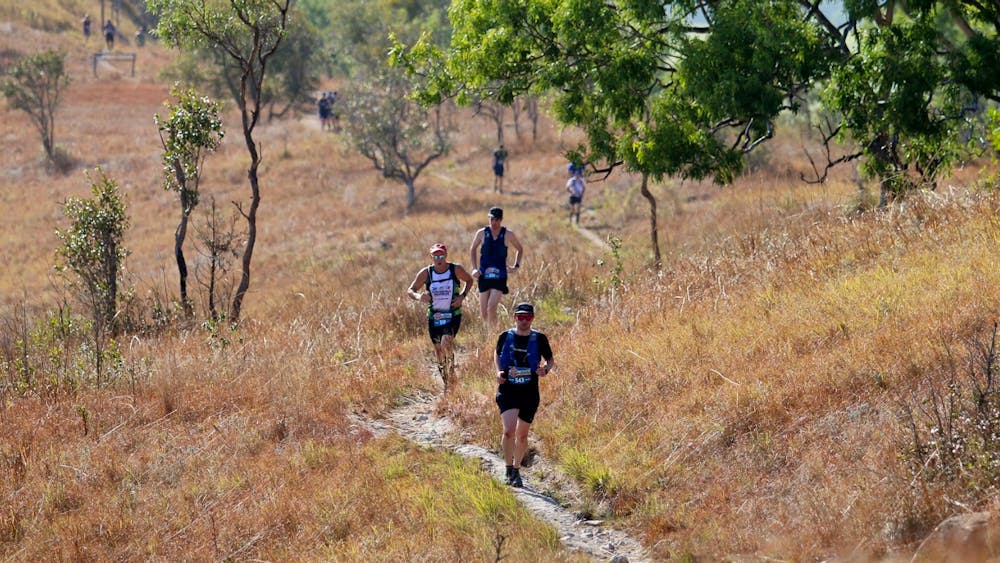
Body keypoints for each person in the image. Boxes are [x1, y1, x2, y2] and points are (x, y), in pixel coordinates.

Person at [494, 302, 555, 487]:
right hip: (508, 390)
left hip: (529, 392)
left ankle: (517, 469)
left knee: (522, 435)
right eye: (520, 316)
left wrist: (545, 370)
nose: (523, 320)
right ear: (514, 317)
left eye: (527, 317)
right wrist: (498, 372)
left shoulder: (539, 338)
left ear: (532, 319)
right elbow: (496, 354)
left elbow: (550, 359)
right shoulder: (505, 336)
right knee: (508, 431)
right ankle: (507, 467)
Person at [406, 243, 475, 391]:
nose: (439, 259)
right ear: (431, 257)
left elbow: (469, 280)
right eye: (436, 256)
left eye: (441, 255)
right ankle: (447, 382)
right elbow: (410, 290)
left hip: (453, 314)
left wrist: (462, 296)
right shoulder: (426, 273)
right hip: (434, 316)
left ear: (446, 255)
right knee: (438, 350)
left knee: (446, 342)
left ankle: (451, 371)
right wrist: (419, 296)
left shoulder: (455, 269)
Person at [470, 207, 523, 328]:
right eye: (491, 219)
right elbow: (473, 249)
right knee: (484, 312)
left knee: (491, 306)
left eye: (496, 220)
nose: (493, 222)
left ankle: (493, 336)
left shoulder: (508, 234)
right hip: (484, 274)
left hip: (500, 276)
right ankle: (490, 331)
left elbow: (520, 249)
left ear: (501, 220)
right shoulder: (482, 233)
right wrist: (474, 268)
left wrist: (516, 266)